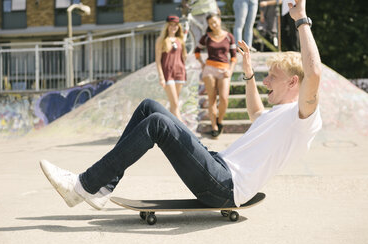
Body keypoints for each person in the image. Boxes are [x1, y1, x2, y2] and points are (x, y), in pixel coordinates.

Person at [40, 0, 321, 210]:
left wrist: (302, 20)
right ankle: (104, 186)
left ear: (294, 83)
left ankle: (83, 185)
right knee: (149, 107)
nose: (266, 81)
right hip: (216, 164)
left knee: (158, 125)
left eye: (273, 77)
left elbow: (314, 72)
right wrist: (247, 72)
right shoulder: (278, 115)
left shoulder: (303, 118)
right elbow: (256, 113)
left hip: (225, 186)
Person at [194, 13, 237, 138]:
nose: (213, 25)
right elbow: (197, 51)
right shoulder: (206, 37)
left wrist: (230, 70)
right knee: (211, 99)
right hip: (209, 70)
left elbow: (234, 56)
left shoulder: (229, 37)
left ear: (219, 20)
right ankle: (214, 127)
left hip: (224, 70)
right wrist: (202, 63)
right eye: (210, 23)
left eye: (214, 22)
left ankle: (220, 121)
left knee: (224, 98)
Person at [155, 15, 187, 121]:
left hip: (179, 72)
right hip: (168, 74)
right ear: (167, 26)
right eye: (171, 25)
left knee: (174, 104)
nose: (173, 27)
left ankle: (169, 128)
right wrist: (161, 77)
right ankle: (183, 129)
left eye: (176, 25)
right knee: (175, 104)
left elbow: (184, 57)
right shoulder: (161, 40)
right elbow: (158, 60)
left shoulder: (180, 40)